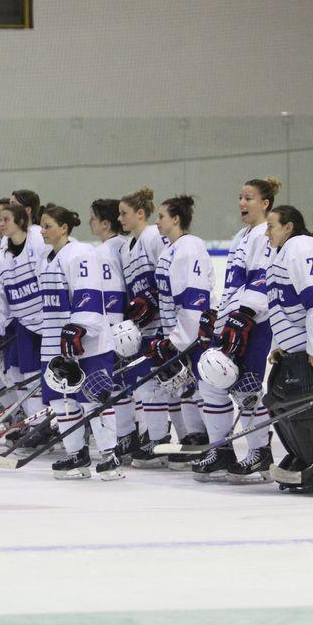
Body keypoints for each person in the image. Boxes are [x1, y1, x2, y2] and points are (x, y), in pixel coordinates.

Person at [224, 205, 313, 494]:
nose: (267, 232)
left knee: (311, 401)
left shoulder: (302, 246)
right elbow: (281, 308)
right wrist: (280, 346)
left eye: (272, 225)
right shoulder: (278, 254)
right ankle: (309, 456)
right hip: (305, 345)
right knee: (280, 399)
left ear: (288, 227)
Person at [199, 178, 278, 483]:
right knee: (212, 383)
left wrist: (245, 313)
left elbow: (262, 281)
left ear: (265, 203)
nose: (242, 203)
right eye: (240, 197)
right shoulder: (240, 236)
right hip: (234, 320)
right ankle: (222, 450)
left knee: (246, 388)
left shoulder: (265, 235)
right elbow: (233, 285)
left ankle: (261, 452)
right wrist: (218, 315)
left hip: (255, 323)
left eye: (249, 198)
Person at [143, 195, 223, 480]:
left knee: (201, 388)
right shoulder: (171, 251)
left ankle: (212, 443)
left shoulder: (189, 247)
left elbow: (193, 300)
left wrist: (177, 339)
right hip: (180, 332)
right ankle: (195, 437)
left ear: (176, 219)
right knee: (185, 386)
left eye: (162, 216)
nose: (157, 221)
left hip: (195, 334)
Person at [37, 205, 120, 480]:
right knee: (62, 402)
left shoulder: (81, 252)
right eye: (41, 225)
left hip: (88, 342)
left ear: (64, 228)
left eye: (48, 225)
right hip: (54, 342)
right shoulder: (44, 258)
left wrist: (79, 328)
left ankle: (110, 456)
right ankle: (77, 455)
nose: (42, 230)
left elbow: (88, 295)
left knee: (92, 397)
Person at [0, 203, 51, 446]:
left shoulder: (39, 241)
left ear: (20, 220)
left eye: (5, 219)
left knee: (54, 376)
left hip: (51, 321)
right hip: (24, 324)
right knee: (21, 375)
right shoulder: (0, 259)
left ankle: (58, 424)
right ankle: (35, 425)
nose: (1, 223)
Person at [117, 187, 172, 468]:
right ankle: (154, 435)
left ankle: (161, 438)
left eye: (124, 213)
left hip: (163, 323)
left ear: (140, 214)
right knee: (145, 384)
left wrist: (154, 301)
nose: (120, 218)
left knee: (160, 384)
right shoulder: (128, 246)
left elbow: (167, 275)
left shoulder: (153, 237)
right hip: (145, 327)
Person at [89, 198, 139, 460]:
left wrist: (112, 331)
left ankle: (126, 435)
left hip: (118, 329)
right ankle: (133, 433)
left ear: (105, 223)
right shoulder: (124, 244)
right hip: (133, 325)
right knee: (131, 383)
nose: (90, 223)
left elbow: (112, 293)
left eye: (94, 218)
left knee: (117, 383)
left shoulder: (105, 251)